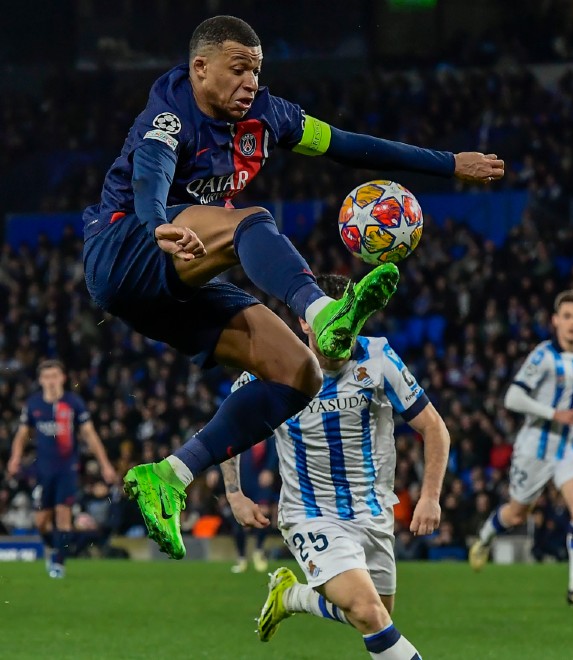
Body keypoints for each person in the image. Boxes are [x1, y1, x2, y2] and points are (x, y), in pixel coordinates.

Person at [81, 15, 502, 560]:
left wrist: (448, 164)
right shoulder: (168, 112)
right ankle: (322, 311)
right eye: (238, 69)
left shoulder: (270, 116)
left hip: (178, 276)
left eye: (256, 70)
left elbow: (349, 145)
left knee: (300, 374)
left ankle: (169, 476)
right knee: (251, 221)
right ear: (200, 68)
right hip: (125, 248)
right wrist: (157, 221)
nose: (250, 82)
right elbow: (150, 172)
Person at [221, 274, 450, 659]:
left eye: (350, 315)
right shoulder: (274, 366)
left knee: (378, 614)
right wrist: (234, 493)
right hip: (310, 514)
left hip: (372, 512)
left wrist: (430, 496)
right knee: (368, 613)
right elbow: (227, 425)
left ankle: (291, 596)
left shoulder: (377, 358)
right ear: (305, 322)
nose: (343, 329)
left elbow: (433, 427)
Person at [468, 290, 573, 613]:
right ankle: (485, 537)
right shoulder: (542, 356)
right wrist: (553, 414)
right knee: (517, 513)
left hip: (570, 446)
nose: (572, 323)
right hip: (536, 447)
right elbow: (512, 398)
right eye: (567, 316)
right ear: (555, 321)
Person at [6, 360, 118, 578]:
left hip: (67, 469)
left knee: (63, 516)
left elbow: (90, 435)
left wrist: (105, 464)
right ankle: (54, 548)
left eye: (55, 376)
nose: (51, 381)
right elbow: (22, 434)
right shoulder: (34, 404)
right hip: (43, 471)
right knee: (41, 522)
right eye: (47, 377)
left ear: (63, 378)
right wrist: (15, 457)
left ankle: (59, 563)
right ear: (40, 380)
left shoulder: (73, 403)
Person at [228, 436, 278, 574]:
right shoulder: (239, 432)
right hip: (243, 480)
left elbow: (275, 451)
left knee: (263, 513)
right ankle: (241, 557)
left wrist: (270, 469)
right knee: (239, 518)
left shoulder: (269, 435)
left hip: (261, 480)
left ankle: (258, 551)